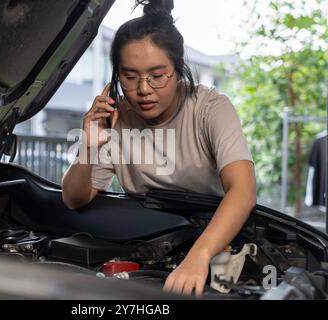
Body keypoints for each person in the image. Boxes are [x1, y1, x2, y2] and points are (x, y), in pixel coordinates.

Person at [62, 0, 256, 297]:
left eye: (157, 75)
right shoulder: (115, 119)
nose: (143, 89)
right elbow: (75, 199)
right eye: (129, 76)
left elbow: (242, 190)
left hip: (213, 240)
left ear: (178, 70)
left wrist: (199, 257)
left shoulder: (210, 108)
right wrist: (89, 146)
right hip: (149, 242)